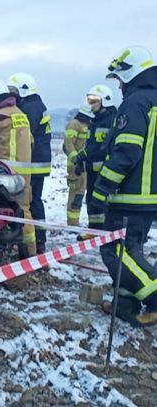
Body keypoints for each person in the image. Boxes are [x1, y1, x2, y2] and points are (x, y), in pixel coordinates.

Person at [95, 46, 157, 327]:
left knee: (114, 250)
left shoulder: (135, 103)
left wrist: (101, 189)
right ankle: (126, 304)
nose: (119, 87)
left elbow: (127, 153)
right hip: (147, 199)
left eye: (119, 80)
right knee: (131, 251)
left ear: (130, 74)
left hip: (131, 198)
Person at [0, 79, 36, 258]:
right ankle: (30, 255)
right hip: (24, 174)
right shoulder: (21, 115)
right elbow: (32, 141)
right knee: (24, 212)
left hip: (4, 174)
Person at [8, 73, 52, 253]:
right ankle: (38, 240)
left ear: (23, 90)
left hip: (33, 164)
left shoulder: (31, 108)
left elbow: (26, 135)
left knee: (30, 203)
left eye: (14, 91)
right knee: (35, 201)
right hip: (38, 163)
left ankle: (34, 244)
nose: (12, 95)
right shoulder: (36, 105)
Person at [74, 84, 116, 237]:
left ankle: (104, 231)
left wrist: (83, 155)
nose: (90, 104)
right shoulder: (96, 121)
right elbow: (91, 146)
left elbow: (100, 148)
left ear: (104, 101)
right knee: (91, 199)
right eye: (89, 100)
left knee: (101, 202)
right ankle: (94, 230)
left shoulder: (111, 121)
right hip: (93, 169)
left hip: (105, 170)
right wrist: (80, 159)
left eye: (93, 100)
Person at [63, 102, 95, 226]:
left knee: (81, 194)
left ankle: (76, 222)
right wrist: (76, 160)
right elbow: (68, 144)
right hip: (76, 167)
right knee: (76, 195)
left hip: (85, 166)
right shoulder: (74, 124)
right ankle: (72, 223)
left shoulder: (86, 124)